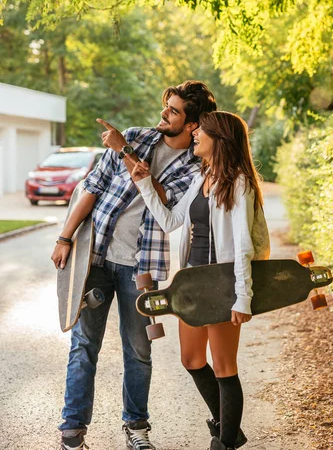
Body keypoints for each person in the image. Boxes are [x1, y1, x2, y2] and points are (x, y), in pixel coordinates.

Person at [51, 81, 217, 450]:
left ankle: (136, 427)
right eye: (166, 106)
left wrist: (124, 151)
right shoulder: (135, 137)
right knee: (83, 344)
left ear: (193, 125)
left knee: (139, 351)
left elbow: (163, 199)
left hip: (142, 268)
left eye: (173, 111)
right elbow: (91, 187)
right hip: (95, 257)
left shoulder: (195, 166)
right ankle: (72, 429)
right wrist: (65, 237)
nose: (164, 114)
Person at [131, 111, 270, 450]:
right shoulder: (202, 177)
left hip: (223, 285)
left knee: (224, 367)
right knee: (191, 359)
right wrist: (144, 184)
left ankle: (224, 442)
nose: (194, 135)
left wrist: (242, 297)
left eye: (201, 132)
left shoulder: (238, 183)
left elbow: (243, 246)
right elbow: (170, 220)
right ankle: (230, 429)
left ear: (219, 138)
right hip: (192, 285)